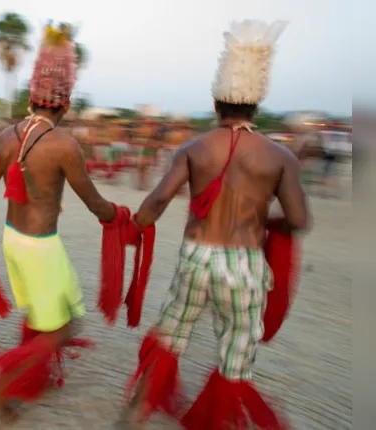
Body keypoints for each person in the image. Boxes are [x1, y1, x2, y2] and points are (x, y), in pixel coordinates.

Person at [121, 20, 308, 429]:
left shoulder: (192, 148)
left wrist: (133, 226)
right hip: (244, 265)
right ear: (256, 107)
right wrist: (260, 217)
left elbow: (158, 200)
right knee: (237, 351)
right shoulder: (281, 158)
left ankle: (135, 413)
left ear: (215, 103)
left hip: (196, 256)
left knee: (171, 335)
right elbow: (298, 219)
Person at [0, 23, 119, 421]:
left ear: (32, 98)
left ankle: (32, 377)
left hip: (13, 240)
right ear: (64, 105)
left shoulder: (5, 136)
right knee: (62, 329)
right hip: (39, 247)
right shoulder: (65, 145)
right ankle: (0, 387)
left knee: (54, 310)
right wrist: (120, 218)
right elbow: (94, 203)